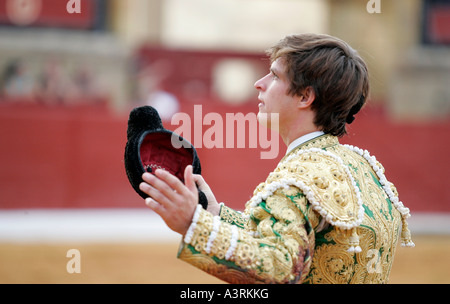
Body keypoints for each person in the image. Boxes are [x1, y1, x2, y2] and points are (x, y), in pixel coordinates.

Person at [139, 33, 414, 284]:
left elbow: (280, 269)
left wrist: (193, 224)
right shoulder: (365, 167)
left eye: (274, 77)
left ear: (305, 96)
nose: (259, 84)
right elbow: (294, 239)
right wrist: (214, 215)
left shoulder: (298, 179)